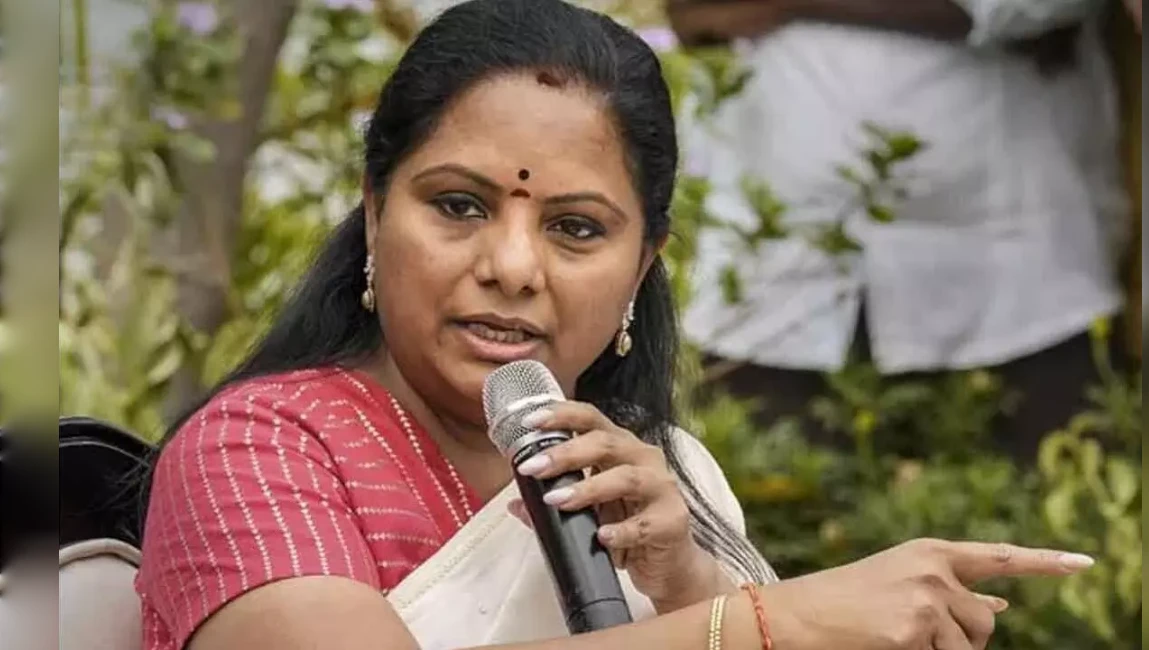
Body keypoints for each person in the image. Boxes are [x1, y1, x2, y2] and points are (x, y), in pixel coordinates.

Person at [135, 2, 1095, 649]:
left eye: (576, 228)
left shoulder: (663, 481)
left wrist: (686, 582)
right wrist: (768, 625)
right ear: (374, 211)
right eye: (459, 206)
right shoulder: (253, 452)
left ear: (642, 266)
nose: (513, 266)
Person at [670, 0, 1130, 460]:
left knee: (1041, 489)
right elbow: (695, 11)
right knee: (757, 492)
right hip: (776, 281)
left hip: (1012, 285)